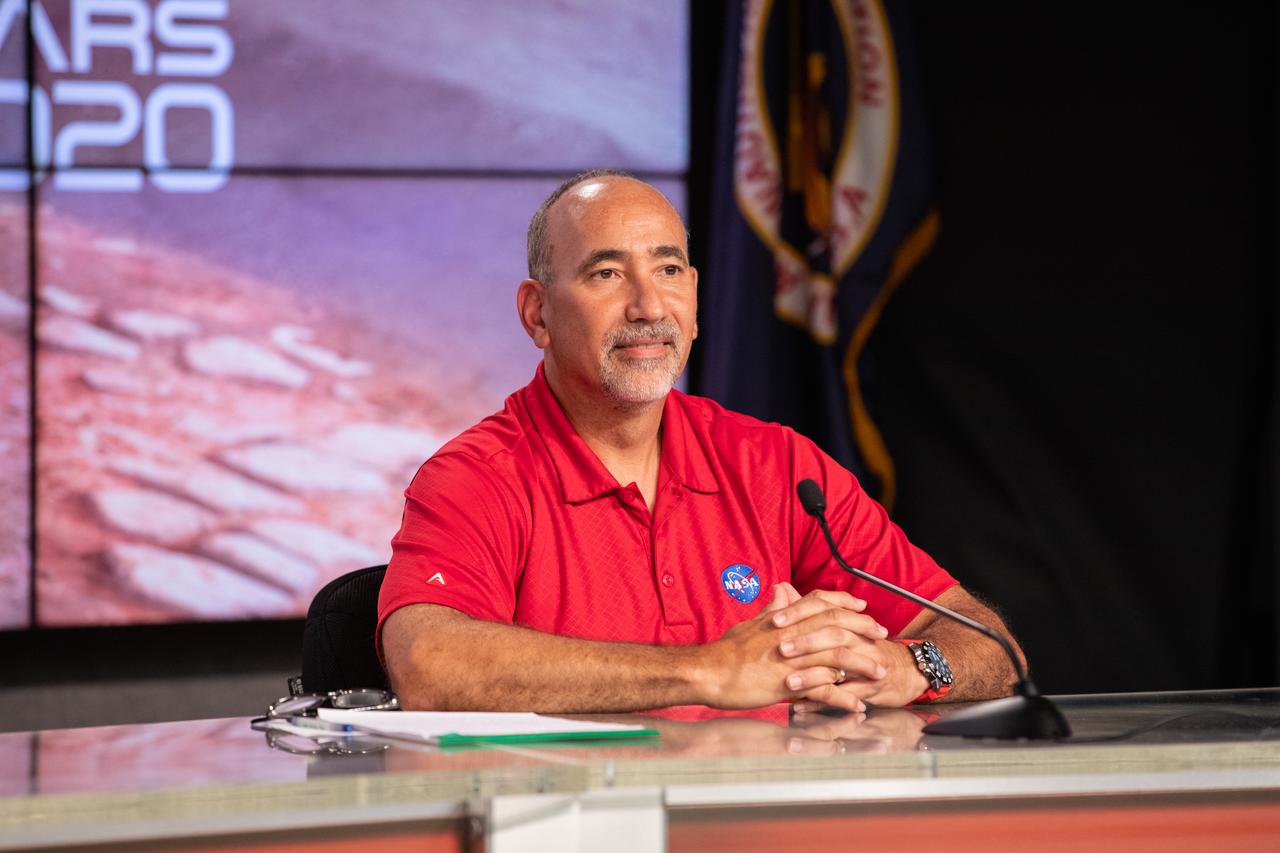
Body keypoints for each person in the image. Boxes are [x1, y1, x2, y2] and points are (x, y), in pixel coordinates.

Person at [378, 170, 1024, 715]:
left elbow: (991, 643)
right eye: (606, 273)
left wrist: (901, 666)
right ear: (537, 314)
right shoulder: (478, 475)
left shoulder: (777, 464)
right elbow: (427, 664)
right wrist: (706, 671)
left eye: (668, 268)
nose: (647, 305)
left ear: (694, 292)